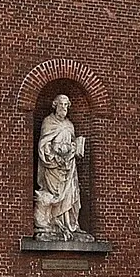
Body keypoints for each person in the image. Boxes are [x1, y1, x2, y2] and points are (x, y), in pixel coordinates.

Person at [34, 93, 86, 240]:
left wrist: (75, 148)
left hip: (68, 166)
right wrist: (55, 157)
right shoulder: (48, 122)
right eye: (61, 104)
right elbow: (43, 145)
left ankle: (70, 225)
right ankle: (51, 224)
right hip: (53, 167)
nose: (64, 107)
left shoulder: (70, 125)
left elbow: (72, 141)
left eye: (66, 105)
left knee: (71, 195)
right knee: (53, 194)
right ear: (55, 106)